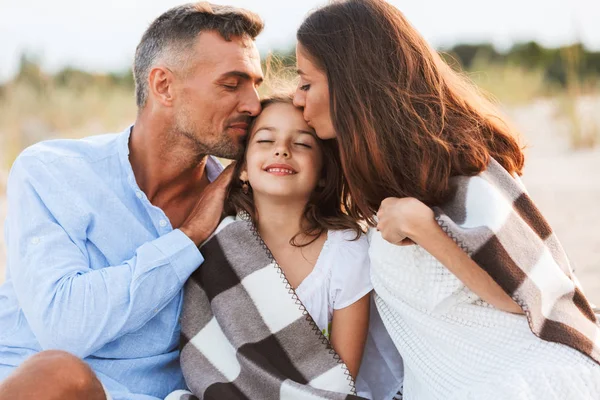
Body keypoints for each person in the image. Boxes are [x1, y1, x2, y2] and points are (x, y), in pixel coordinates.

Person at [293, 0, 600, 399]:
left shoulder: (465, 176)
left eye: (305, 83)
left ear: (352, 85)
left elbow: (521, 296)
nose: (297, 99)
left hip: (527, 382)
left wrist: (423, 226)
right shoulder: (387, 189)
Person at [0, 3, 264, 400]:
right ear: (163, 86)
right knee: (58, 374)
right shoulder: (52, 172)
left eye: (255, 84)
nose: (254, 104)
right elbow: (65, 328)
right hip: (32, 384)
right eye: (232, 84)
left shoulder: (249, 205)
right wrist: (188, 237)